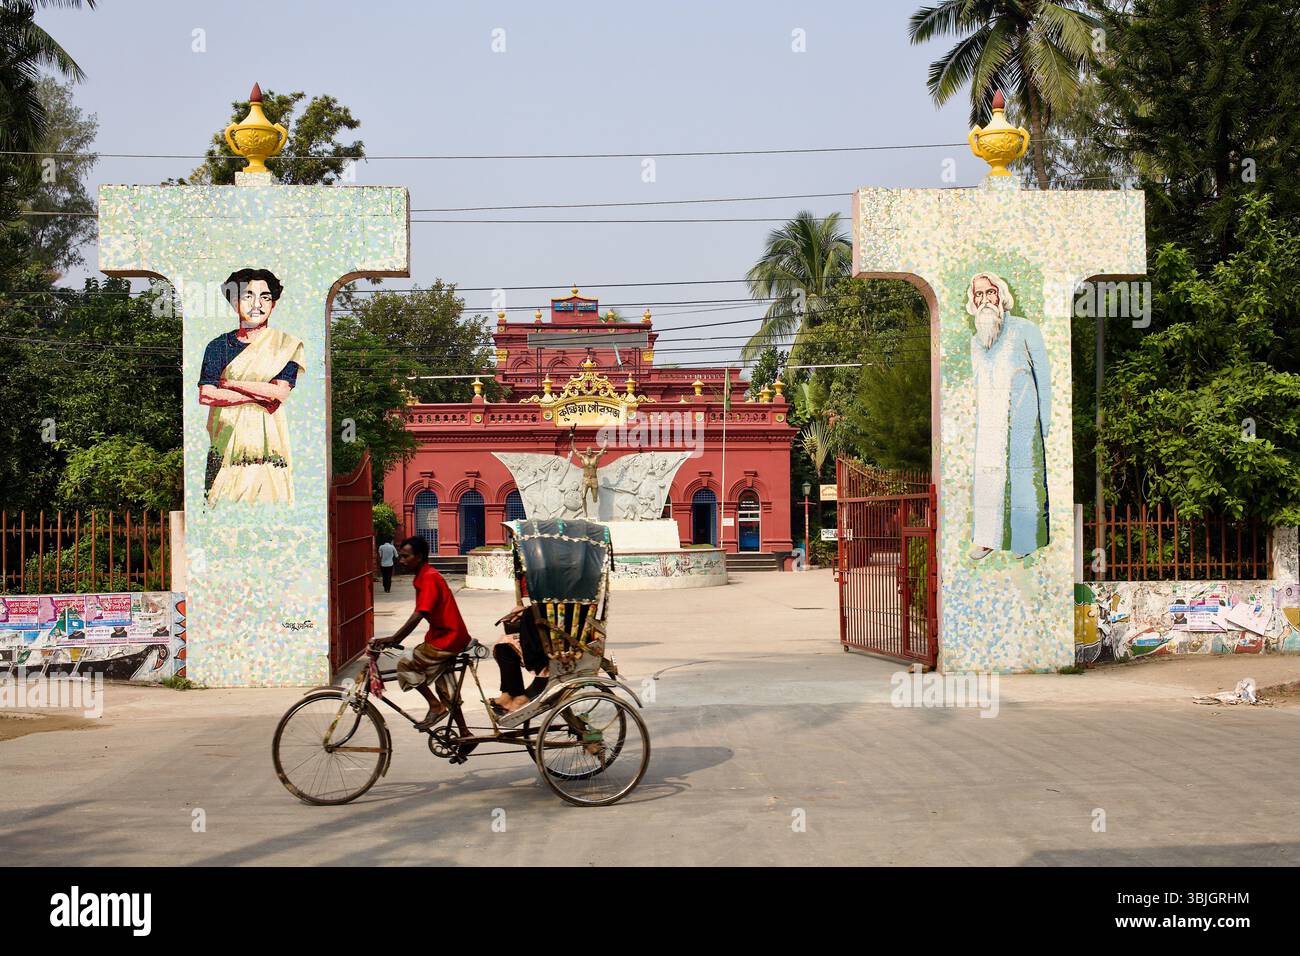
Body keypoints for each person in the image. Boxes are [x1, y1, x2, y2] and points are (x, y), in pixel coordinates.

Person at [198, 268, 305, 506]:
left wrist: (230, 384)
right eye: (248, 296)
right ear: (234, 302)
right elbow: (207, 394)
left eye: (265, 297)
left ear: (273, 304)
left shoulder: (285, 346)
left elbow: (279, 392)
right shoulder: (217, 347)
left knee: (272, 502)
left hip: (271, 448)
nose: (258, 304)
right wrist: (258, 394)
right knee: (219, 501)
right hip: (225, 442)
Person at [966, 271, 1052, 560]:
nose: (985, 300)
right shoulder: (976, 342)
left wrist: (1046, 421)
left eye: (990, 292)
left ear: (1001, 295)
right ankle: (988, 538)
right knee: (988, 478)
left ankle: (1026, 541)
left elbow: (1044, 376)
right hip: (989, 423)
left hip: (1023, 420)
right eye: (978, 295)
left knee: (1024, 477)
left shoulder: (1025, 329)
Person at [372, 536, 471, 729]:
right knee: (446, 687)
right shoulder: (423, 576)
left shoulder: (429, 578)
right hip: (445, 635)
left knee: (406, 664)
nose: (401, 561)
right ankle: (465, 733)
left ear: (419, 556)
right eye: (400, 556)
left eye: (405, 556)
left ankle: (435, 706)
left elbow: (420, 613)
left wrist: (394, 638)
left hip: (448, 638)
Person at [490, 604, 549, 713]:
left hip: (550, 640)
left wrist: (528, 612)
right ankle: (507, 694)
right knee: (503, 646)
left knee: (505, 647)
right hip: (544, 628)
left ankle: (518, 696)